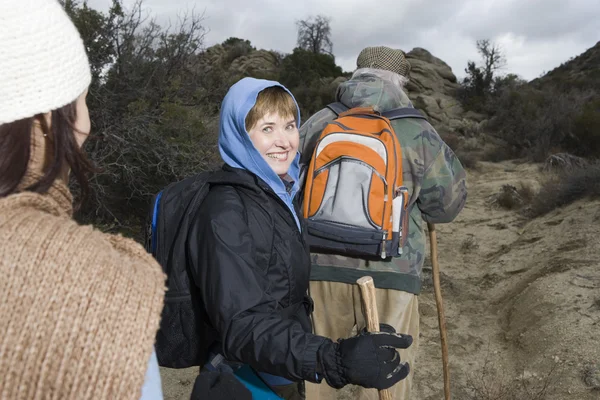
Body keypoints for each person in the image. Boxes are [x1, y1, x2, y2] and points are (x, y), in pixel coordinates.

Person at [187, 77, 413, 400]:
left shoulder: (278, 194)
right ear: (239, 133)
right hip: (243, 381)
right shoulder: (224, 212)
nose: (285, 141)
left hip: (278, 368)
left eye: (290, 126)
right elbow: (241, 326)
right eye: (267, 129)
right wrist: (332, 359)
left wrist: (356, 344)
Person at [299, 46, 468, 400]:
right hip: (393, 274)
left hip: (318, 272)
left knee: (316, 379)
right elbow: (447, 207)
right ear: (401, 81)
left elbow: (286, 186)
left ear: (356, 74)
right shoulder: (418, 130)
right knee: (388, 378)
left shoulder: (319, 122)